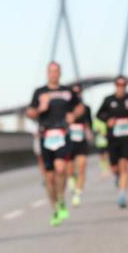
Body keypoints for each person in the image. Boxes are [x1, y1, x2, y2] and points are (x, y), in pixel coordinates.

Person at [25, 61, 83, 226]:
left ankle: (61, 199)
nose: (53, 74)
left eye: (56, 71)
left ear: (60, 73)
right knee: (49, 178)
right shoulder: (40, 92)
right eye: (51, 71)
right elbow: (29, 112)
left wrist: (73, 115)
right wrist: (39, 109)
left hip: (62, 133)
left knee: (61, 168)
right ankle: (55, 207)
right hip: (46, 134)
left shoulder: (67, 91)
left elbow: (80, 108)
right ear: (47, 73)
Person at [96, 75, 128, 208]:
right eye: (119, 85)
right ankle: (117, 176)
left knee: (124, 165)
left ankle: (122, 194)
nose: (121, 87)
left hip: (127, 137)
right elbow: (99, 114)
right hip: (112, 138)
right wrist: (108, 120)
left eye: (124, 85)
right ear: (115, 86)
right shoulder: (108, 100)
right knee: (115, 167)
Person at [67, 83, 94, 207]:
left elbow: (89, 124)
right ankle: (72, 181)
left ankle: (77, 194)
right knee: (70, 169)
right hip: (69, 140)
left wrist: (89, 133)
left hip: (81, 140)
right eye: (75, 93)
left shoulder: (86, 108)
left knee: (82, 167)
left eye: (79, 93)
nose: (77, 95)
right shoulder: (66, 108)